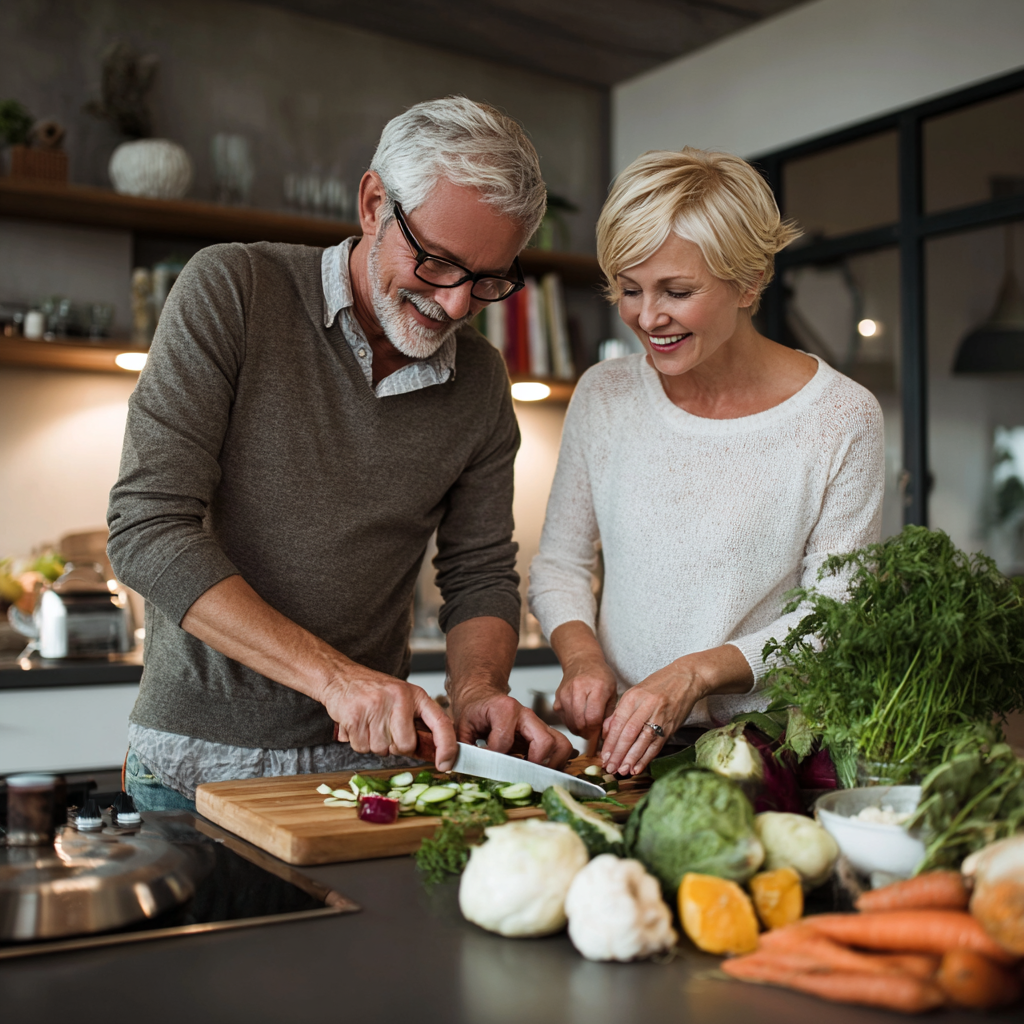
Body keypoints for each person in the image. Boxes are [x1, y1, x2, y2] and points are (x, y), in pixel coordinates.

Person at [108, 97, 573, 811]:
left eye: (487, 281)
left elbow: (478, 572)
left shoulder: (479, 379)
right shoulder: (235, 289)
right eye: (439, 263)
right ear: (373, 203)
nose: (454, 306)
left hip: (371, 767)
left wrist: (479, 687)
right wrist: (336, 679)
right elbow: (147, 529)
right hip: (192, 764)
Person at [528, 147, 885, 778]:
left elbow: (836, 614)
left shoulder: (841, 417)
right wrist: (582, 658)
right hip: (622, 748)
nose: (647, 316)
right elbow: (560, 562)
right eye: (630, 289)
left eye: (677, 291)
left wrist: (694, 674)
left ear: (749, 281)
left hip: (769, 754)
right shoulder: (605, 395)